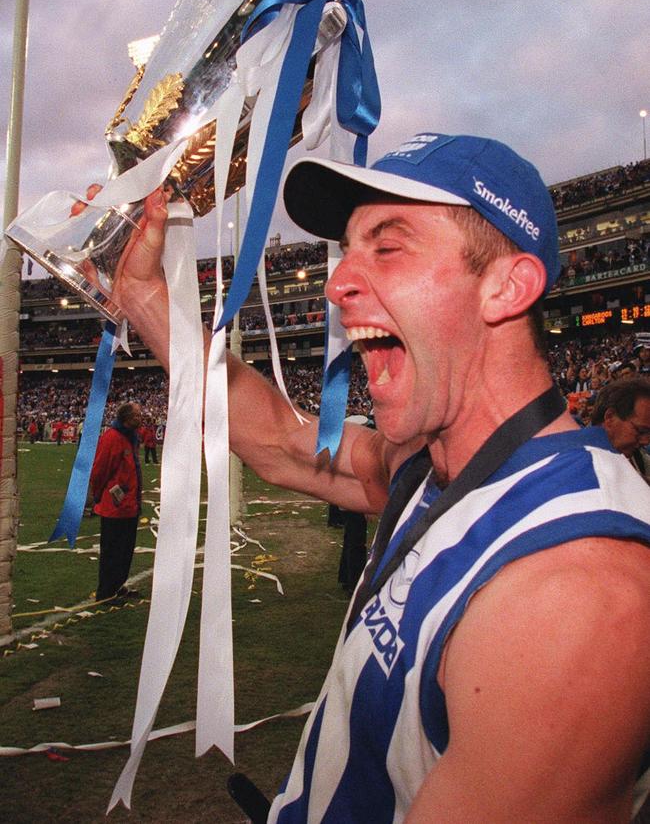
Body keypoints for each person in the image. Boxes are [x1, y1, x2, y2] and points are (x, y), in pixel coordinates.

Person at [79, 132, 650, 822]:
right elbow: (282, 442)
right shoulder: (431, 464)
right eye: (348, 249)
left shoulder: (577, 597)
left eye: (387, 244)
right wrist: (141, 292)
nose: (336, 282)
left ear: (509, 285)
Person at [90, 401, 143, 602]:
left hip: (130, 506)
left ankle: (118, 585)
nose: (141, 417)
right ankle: (105, 591)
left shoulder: (131, 438)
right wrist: (98, 496)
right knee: (112, 551)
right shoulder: (112, 438)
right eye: (137, 415)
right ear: (126, 417)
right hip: (115, 507)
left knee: (125, 551)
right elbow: (100, 470)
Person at [591, 377, 650, 485]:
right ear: (610, 417)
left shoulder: (637, 457)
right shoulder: (575, 469)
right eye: (641, 431)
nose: (646, 441)